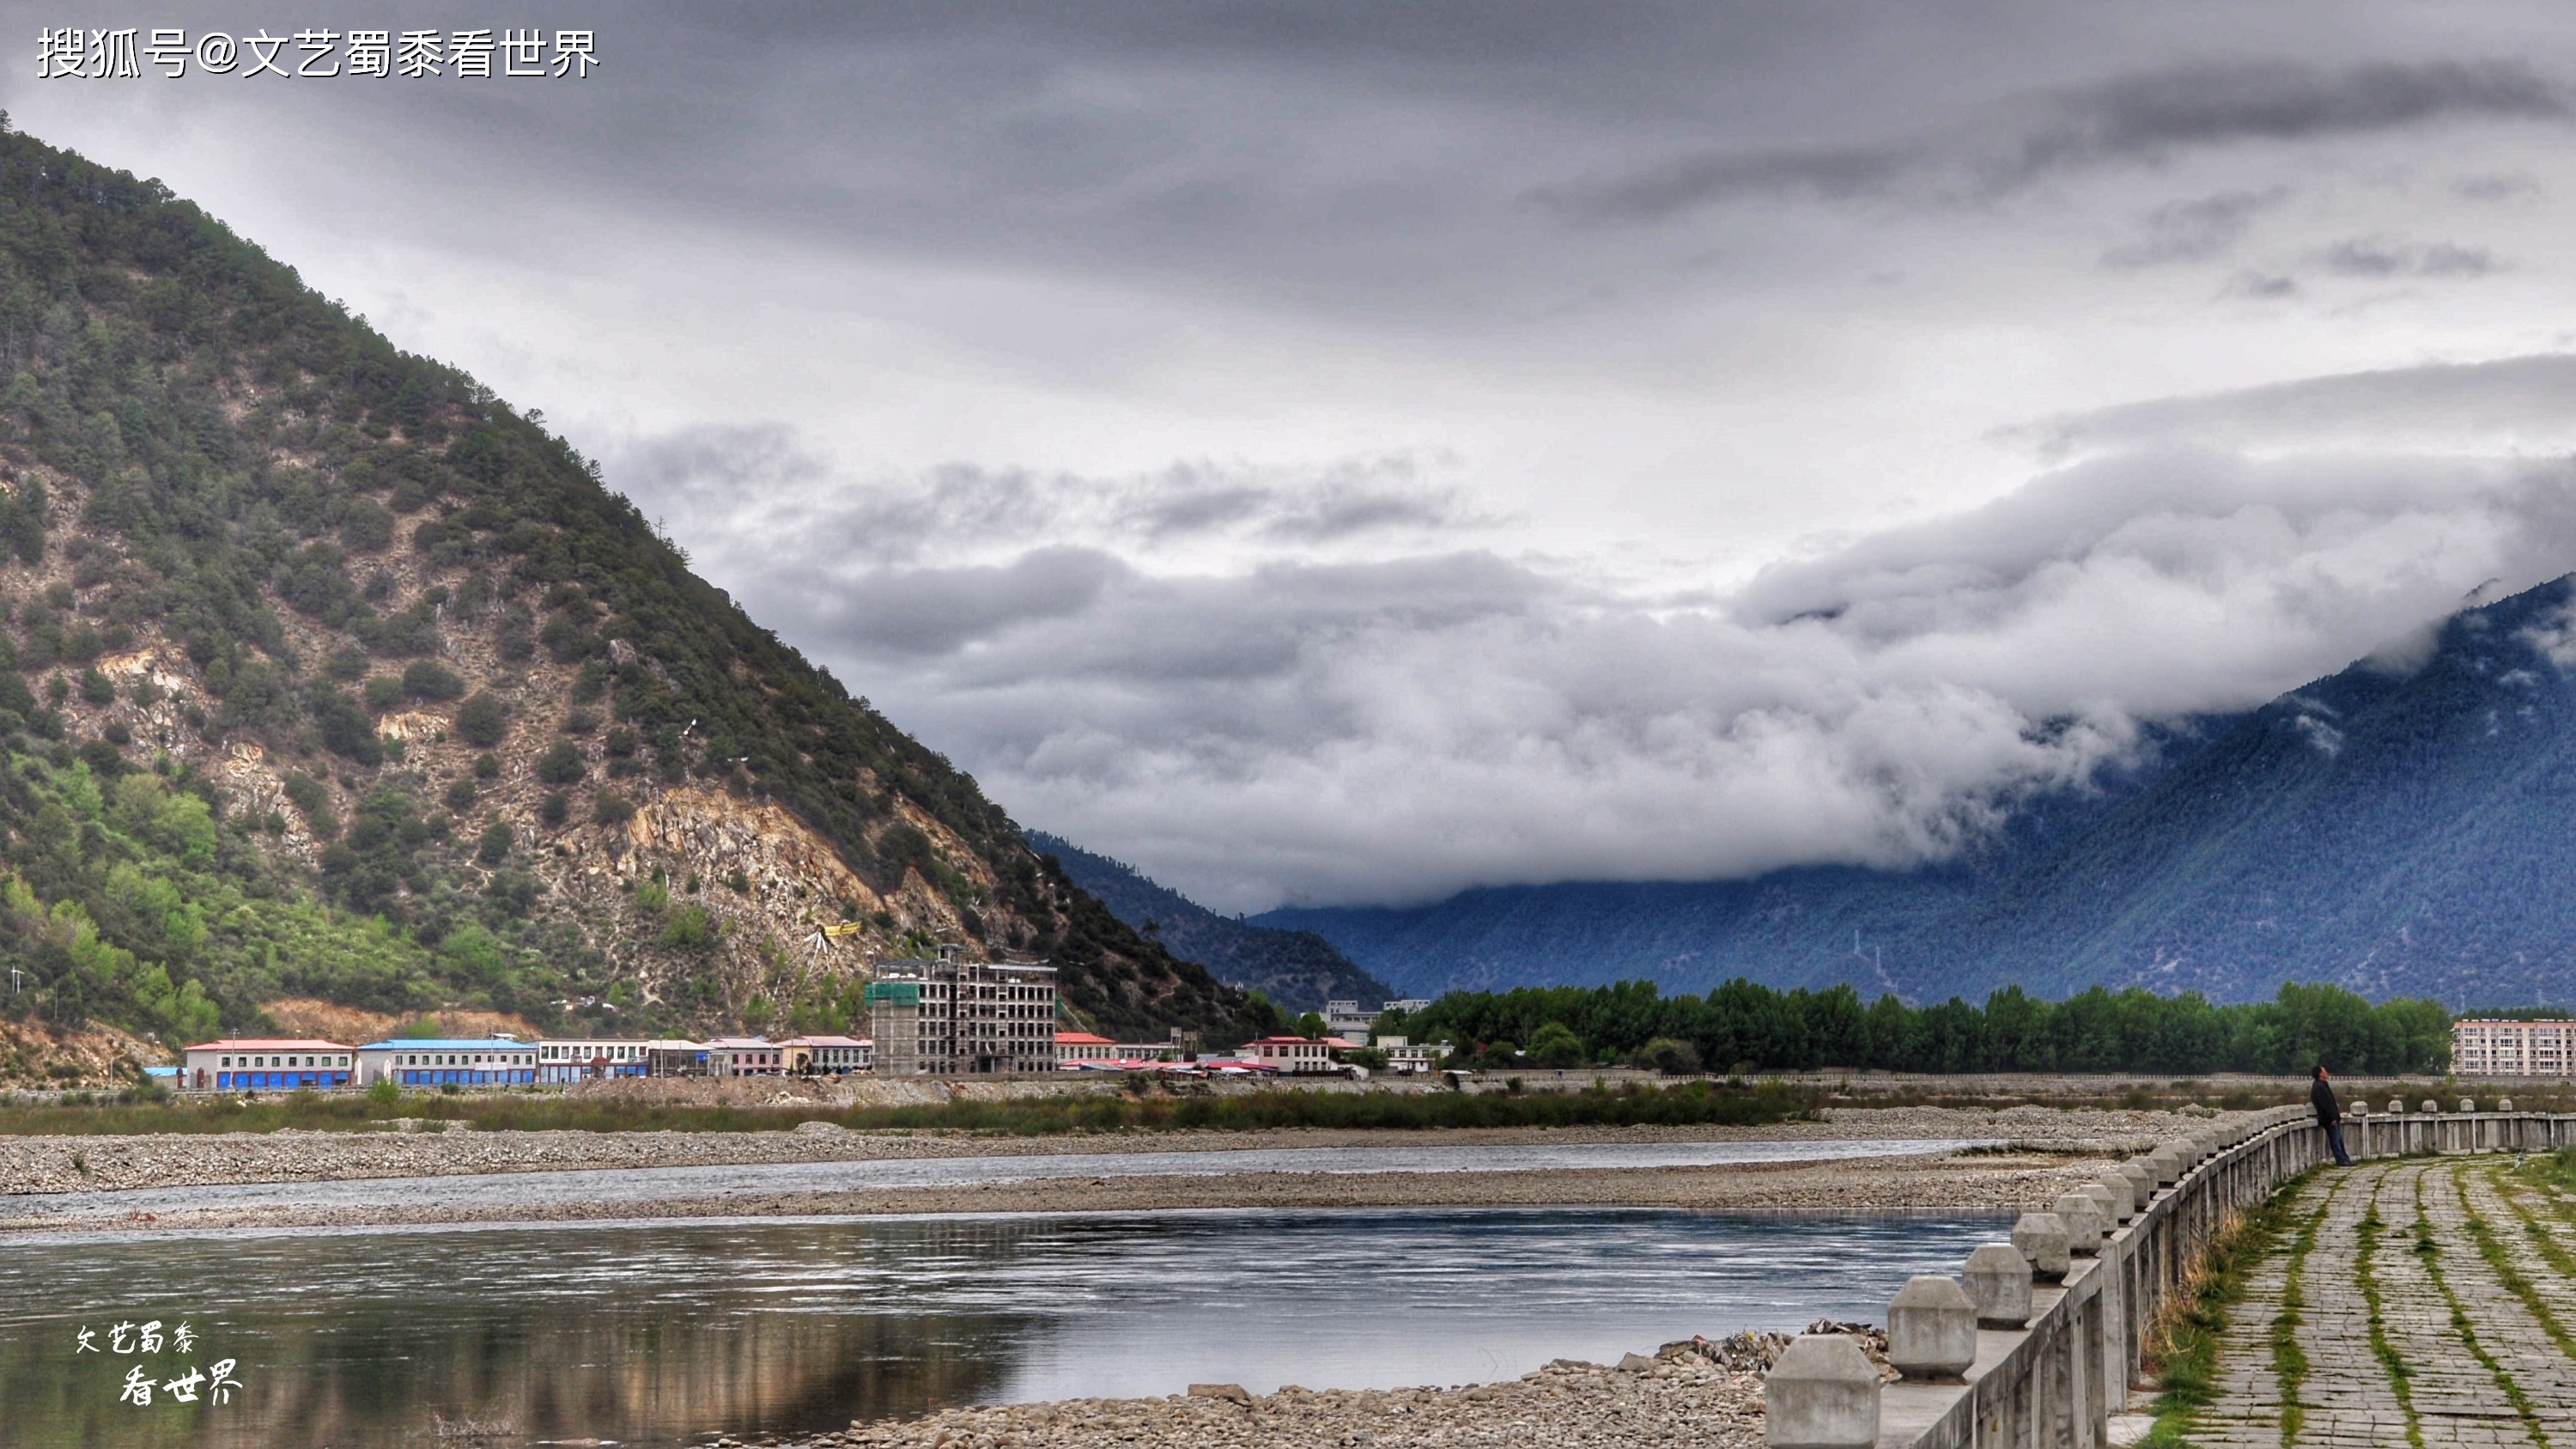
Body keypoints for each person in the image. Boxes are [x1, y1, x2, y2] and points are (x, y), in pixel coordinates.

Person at [2312, 1065, 2351, 1166]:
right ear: (2320, 1074)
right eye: (2325, 1071)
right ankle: (2341, 1160)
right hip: (2329, 1120)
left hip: (2332, 1118)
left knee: (2339, 1140)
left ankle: (2345, 1159)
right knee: (2335, 1140)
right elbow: (2325, 1105)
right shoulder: (2319, 1087)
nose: (2327, 1073)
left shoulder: (2322, 1085)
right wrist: (2332, 1118)